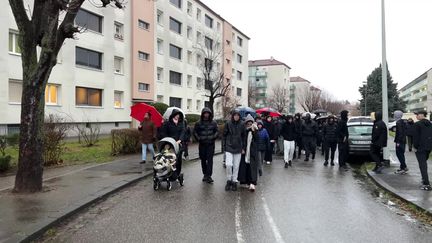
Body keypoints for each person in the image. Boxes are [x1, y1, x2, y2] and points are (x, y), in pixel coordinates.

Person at [194, 107, 219, 184]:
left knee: (210, 160)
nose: (206, 115)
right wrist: (199, 138)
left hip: (210, 144)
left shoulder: (214, 123)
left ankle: (209, 176)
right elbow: (195, 132)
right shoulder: (198, 123)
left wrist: (213, 137)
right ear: (202, 114)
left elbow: (217, 132)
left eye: (208, 113)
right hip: (202, 144)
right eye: (205, 113)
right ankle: (205, 174)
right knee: (203, 160)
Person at [223, 110, 246, 191]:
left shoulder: (242, 124)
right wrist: (224, 147)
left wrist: (243, 148)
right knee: (228, 164)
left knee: (236, 166)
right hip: (229, 147)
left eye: (237, 115)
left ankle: (234, 181)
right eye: (235, 115)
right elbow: (224, 135)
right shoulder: (228, 123)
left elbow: (244, 137)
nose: (236, 117)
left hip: (238, 148)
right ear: (232, 116)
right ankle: (229, 180)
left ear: (239, 116)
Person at [159, 109, 186, 178]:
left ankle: (177, 173)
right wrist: (167, 140)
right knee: (169, 159)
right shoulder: (168, 123)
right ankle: (169, 173)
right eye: (176, 115)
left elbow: (183, 132)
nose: (177, 116)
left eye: (178, 115)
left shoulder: (181, 123)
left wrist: (180, 139)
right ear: (173, 115)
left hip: (178, 143)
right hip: (170, 143)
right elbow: (163, 132)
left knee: (178, 159)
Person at [238, 115, 259, 192]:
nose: (249, 125)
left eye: (251, 123)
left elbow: (257, 139)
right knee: (245, 166)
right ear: (246, 123)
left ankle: (252, 182)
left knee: (252, 167)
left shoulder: (255, 130)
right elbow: (242, 140)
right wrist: (242, 148)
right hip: (245, 151)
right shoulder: (244, 131)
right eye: (248, 123)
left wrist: (254, 131)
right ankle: (245, 181)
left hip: (252, 152)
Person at [413, 111, 432, 191]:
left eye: (417, 115)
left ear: (421, 115)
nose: (416, 116)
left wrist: (415, 147)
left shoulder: (417, 124)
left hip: (420, 148)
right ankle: (424, 179)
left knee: (422, 165)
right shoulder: (430, 123)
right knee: (424, 164)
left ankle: (426, 184)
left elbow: (416, 137)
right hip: (428, 147)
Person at [393, 110, 408, 174]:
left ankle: (404, 167)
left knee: (399, 154)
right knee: (401, 154)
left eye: (394, 114)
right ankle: (402, 167)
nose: (393, 115)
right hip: (403, 141)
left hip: (400, 141)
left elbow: (400, 133)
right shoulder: (403, 122)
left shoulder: (398, 123)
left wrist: (398, 142)